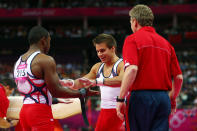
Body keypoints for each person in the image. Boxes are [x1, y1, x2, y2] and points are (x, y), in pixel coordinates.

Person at [13, 25, 97, 131]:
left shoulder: (19, 62)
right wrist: (82, 93)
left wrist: (70, 83)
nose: (49, 44)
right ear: (43, 41)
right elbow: (56, 91)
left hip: (24, 112)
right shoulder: (45, 60)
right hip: (39, 112)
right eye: (49, 41)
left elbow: (35, 85)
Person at [116, 4, 183, 131]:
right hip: (163, 99)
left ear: (135, 22)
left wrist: (120, 98)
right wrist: (172, 99)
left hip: (140, 99)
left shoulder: (132, 39)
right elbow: (179, 77)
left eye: (130, 21)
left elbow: (132, 69)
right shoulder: (167, 44)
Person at [61, 34, 125, 131]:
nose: (99, 54)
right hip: (105, 111)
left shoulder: (122, 64)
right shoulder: (97, 67)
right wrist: (70, 83)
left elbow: (122, 80)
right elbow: (83, 82)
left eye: (102, 50)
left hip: (121, 109)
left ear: (112, 48)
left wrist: (97, 81)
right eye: (98, 51)